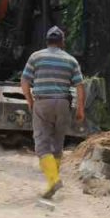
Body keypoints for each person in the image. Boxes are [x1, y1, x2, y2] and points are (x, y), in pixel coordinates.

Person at [21, 26, 86, 199]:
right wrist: (80, 109)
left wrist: (30, 101)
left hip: (43, 102)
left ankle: (53, 180)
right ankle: (52, 182)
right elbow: (80, 86)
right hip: (64, 103)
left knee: (42, 145)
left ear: (47, 41)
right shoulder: (71, 60)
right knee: (57, 144)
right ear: (62, 42)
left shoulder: (36, 57)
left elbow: (25, 81)